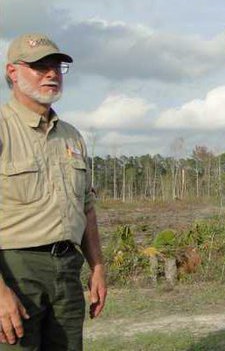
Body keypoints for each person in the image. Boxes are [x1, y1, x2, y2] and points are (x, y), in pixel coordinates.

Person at [0, 33, 107, 350]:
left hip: (66, 270)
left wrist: (98, 266)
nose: (51, 73)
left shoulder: (71, 136)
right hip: (16, 270)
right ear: (12, 72)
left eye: (57, 66)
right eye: (39, 66)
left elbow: (86, 208)